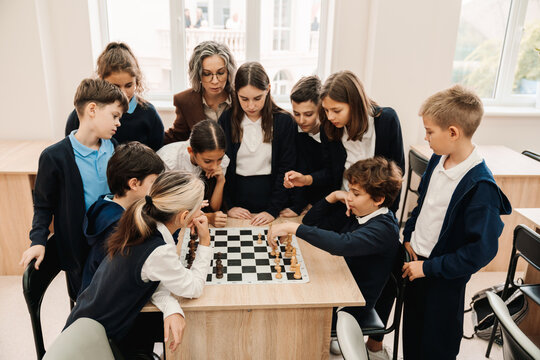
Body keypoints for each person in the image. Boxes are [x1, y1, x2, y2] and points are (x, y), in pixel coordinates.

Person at [401, 85, 511, 360]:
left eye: (429, 131)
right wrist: (409, 235)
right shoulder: (438, 158)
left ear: (453, 132)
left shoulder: (481, 187)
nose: (424, 137)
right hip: (417, 265)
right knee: (412, 339)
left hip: (443, 279)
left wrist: (429, 267)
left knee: (437, 347)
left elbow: (481, 251)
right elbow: (423, 204)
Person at [65, 171, 214, 358]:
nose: (201, 212)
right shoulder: (158, 250)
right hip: (96, 344)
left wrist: (171, 307)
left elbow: (154, 280)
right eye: (198, 209)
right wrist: (205, 241)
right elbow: (193, 288)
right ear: (184, 216)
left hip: (87, 320)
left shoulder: (144, 223)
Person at [269, 157, 402, 354]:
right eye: (349, 190)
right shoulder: (360, 210)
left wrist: (291, 227)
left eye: (355, 193)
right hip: (340, 283)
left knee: (285, 305)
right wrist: (332, 196)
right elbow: (311, 223)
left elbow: (341, 245)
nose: (349, 197)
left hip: (352, 303)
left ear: (378, 199)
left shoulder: (384, 228)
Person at [20, 78, 128, 297]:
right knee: (87, 302)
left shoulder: (114, 148)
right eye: (115, 116)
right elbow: (43, 206)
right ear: (92, 110)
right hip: (79, 251)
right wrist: (38, 241)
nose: (118, 123)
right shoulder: (54, 157)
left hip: (114, 241)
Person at [284, 70, 404, 214]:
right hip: (343, 203)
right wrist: (305, 179)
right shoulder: (330, 127)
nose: (330, 117)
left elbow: (396, 173)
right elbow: (331, 172)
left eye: (336, 110)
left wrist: (390, 214)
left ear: (354, 104)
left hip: (376, 207)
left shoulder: (387, 120)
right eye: (326, 110)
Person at [80, 142, 165, 294]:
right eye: (153, 182)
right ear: (134, 184)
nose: (157, 187)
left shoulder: (105, 203)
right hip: (106, 304)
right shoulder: (119, 225)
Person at [218, 62, 296, 225]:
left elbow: (286, 167)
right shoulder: (226, 119)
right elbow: (219, 167)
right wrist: (228, 206)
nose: (251, 105)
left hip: (272, 201)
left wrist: (273, 209)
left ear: (268, 89)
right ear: (236, 92)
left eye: (257, 98)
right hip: (235, 201)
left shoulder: (284, 122)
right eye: (244, 99)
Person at [65, 42, 164, 151]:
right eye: (115, 86)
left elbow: (157, 153)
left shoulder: (148, 113)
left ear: (137, 81)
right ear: (101, 80)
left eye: (129, 85)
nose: (123, 93)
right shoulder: (82, 114)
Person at [158, 120, 229, 227]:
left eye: (219, 159)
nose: (215, 166)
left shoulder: (221, 161)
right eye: (207, 161)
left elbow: (215, 208)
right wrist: (207, 217)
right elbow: (163, 205)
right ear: (191, 151)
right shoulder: (168, 161)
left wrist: (220, 181)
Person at [164, 41, 236, 144]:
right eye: (207, 74)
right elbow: (176, 136)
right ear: (197, 75)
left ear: (229, 71)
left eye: (221, 73)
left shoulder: (241, 97)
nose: (215, 81)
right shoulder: (185, 101)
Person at [280, 75, 332, 218]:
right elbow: (298, 167)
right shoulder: (294, 130)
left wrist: (316, 204)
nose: (301, 120)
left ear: (321, 109)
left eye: (308, 114)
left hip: (327, 200)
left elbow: (332, 175)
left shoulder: (332, 133)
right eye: (296, 114)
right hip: (301, 201)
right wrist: (298, 206)